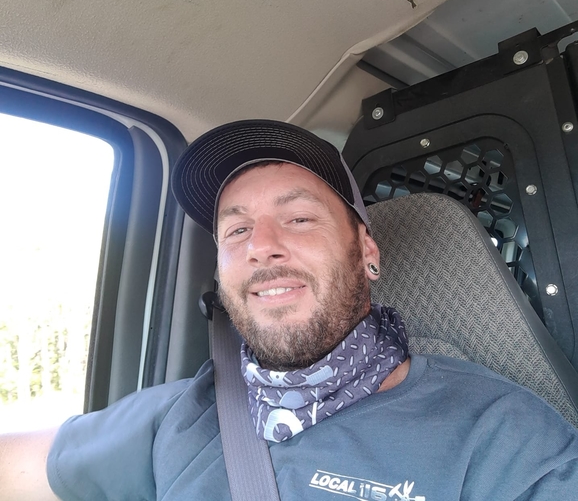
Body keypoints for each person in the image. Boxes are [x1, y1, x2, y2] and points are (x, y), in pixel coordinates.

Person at [2, 119, 578, 500]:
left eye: (299, 218)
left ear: (367, 252)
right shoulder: (180, 415)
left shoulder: (501, 435)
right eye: (237, 230)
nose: (260, 245)